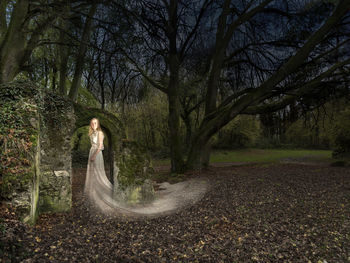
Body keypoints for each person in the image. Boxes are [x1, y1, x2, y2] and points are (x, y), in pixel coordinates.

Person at [84, 118, 115, 212]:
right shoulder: (91, 133)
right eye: (92, 123)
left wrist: (94, 155)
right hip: (92, 151)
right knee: (92, 171)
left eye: (95, 123)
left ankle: (105, 191)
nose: (94, 125)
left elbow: (100, 146)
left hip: (97, 154)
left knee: (98, 172)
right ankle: (94, 192)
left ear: (98, 124)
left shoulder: (100, 133)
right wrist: (91, 154)